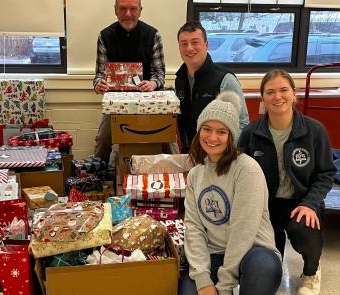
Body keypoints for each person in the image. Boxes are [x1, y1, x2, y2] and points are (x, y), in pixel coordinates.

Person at [238, 70, 336, 295]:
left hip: (301, 201)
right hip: (266, 206)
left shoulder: (314, 131)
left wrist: (311, 203)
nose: (277, 97)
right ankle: (273, 269)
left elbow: (326, 173)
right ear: (262, 98)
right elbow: (240, 174)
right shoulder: (251, 133)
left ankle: (311, 272)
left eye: (284, 90)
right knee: (268, 260)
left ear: (294, 94)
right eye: (270, 92)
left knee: (305, 227)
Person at [180, 91, 282, 295]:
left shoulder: (247, 169)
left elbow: (242, 231)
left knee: (264, 268)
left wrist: (223, 287)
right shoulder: (194, 175)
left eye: (222, 132)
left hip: (253, 250)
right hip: (214, 253)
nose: (212, 137)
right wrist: (203, 279)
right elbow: (194, 228)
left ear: (232, 136)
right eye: (207, 129)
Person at [93, 0, 165, 164]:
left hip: (147, 101)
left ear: (140, 10)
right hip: (114, 103)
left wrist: (153, 83)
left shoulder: (153, 35)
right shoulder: (105, 36)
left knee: (168, 138)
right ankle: (98, 179)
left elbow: (159, 73)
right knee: (102, 139)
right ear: (115, 10)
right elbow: (99, 74)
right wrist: (98, 84)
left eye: (133, 9)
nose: (128, 14)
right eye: (123, 9)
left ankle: (173, 174)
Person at [175, 21, 249, 153]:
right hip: (192, 156)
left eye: (195, 42)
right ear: (179, 48)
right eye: (184, 44)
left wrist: (219, 154)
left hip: (220, 158)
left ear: (206, 45)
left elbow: (242, 125)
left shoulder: (225, 79)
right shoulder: (179, 80)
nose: (189, 48)